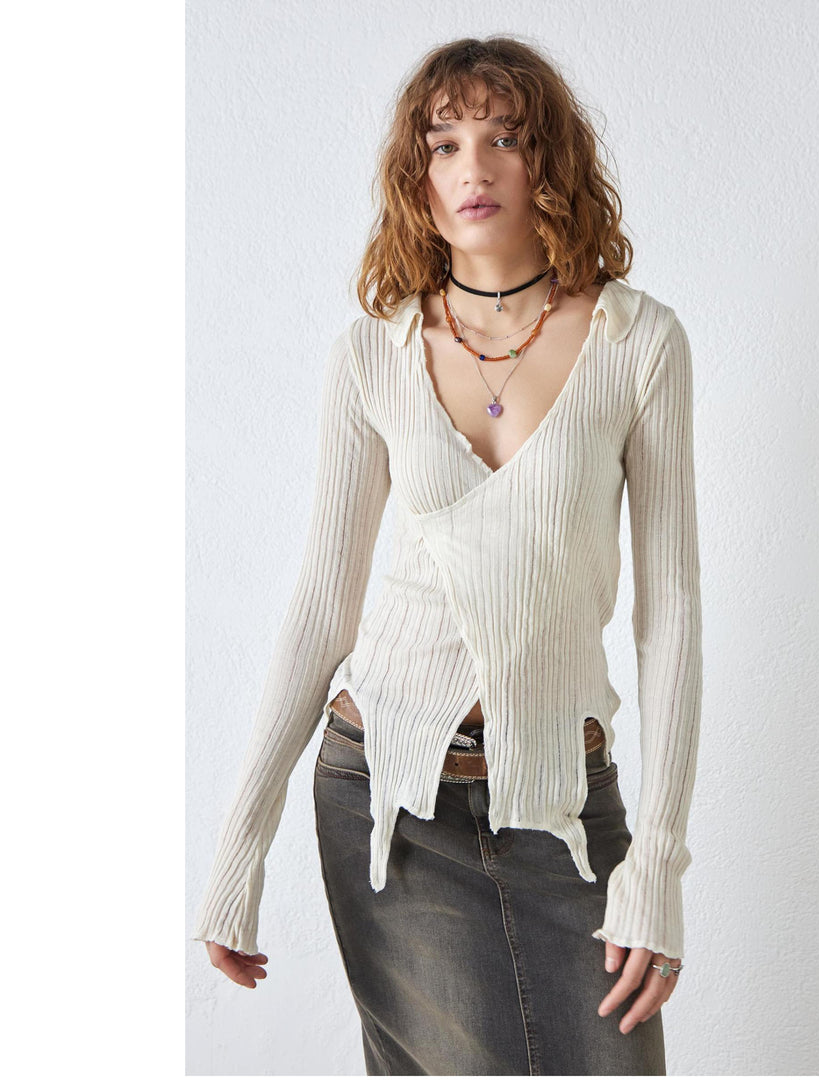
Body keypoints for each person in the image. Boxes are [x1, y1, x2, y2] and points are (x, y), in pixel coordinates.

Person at [192, 35, 703, 1076]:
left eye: (505, 138)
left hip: (563, 798)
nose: (474, 167)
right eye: (445, 143)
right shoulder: (371, 354)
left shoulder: (638, 343)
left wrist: (657, 859)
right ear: (415, 173)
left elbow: (674, 614)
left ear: (549, 161)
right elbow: (322, 607)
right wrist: (240, 845)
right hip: (391, 795)